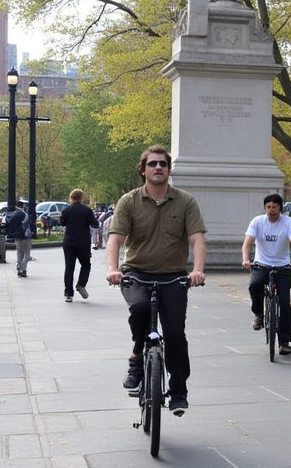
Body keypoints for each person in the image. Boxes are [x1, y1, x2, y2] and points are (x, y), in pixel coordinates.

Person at [106, 145, 206, 416]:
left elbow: (197, 238)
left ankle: (178, 391)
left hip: (173, 276)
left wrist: (197, 270)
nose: (158, 167)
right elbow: (115, 239)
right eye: (153, 164)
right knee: (139, 310)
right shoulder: (129, 201)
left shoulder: (185, 201)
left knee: (175, 335)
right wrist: (113, 269)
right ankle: (137, 357)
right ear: (143, 170)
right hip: (137, 272)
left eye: (163, 164)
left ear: (169, 170)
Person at [242, 193, 291, 355]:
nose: (271, 210)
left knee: (284, 303)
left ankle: (284, 342)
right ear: (265, 208)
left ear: (280, 208)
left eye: (274, 207)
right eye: (268, 207)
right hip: (261, 264)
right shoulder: (258, 221)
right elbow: (247, 243)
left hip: (282, 267)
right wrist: (246, 259)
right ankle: (259, 314)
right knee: (254, 285)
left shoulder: (289, 222)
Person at [59, 188, 100, 301]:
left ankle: (68, 294)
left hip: (69, 242)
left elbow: (62, 223)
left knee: (69, 268)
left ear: (71, 197)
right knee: (86, 265)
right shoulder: (86, 210)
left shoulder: (66, 210)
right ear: (81, 198)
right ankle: (81, 284)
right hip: (83, 242)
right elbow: (95, 224)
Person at [6, 200, 32, 277]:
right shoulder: (25, 213)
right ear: (22, 206)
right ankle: (23, 269)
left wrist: (13, 233)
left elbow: (9, 225)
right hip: (26, 236)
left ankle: (20, 271)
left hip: (17, 237)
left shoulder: (13, 215)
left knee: (19, 253)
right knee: (27, 255)